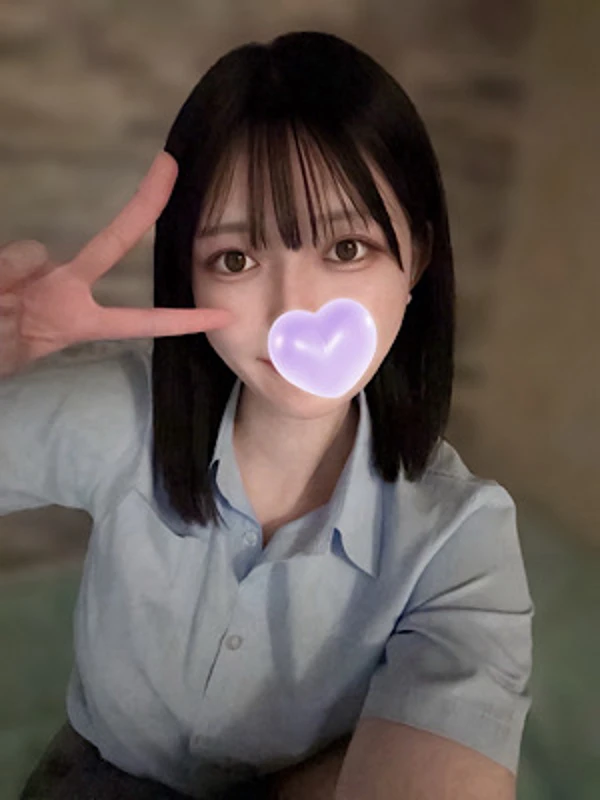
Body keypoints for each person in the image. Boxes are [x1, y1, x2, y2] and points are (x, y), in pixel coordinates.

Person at [1, 30, 533, 800]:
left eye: (346, 248)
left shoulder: (461, 539)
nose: (295, 309)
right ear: (188, 278)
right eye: (236, 260)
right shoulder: (124, 409)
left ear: (416, 256)